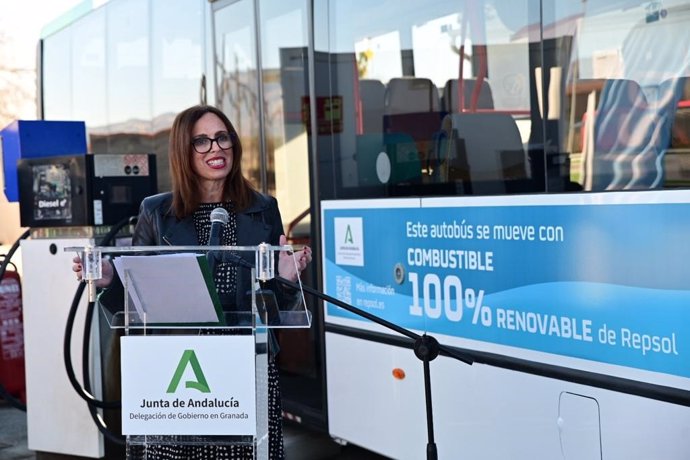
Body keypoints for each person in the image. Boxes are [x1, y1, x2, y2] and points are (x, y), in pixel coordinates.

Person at [73, 104, 311, 459]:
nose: (216, 148)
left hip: (245, 368)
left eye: (222, 137)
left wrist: (287, 279)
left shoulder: (262, 209)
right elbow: (138, 302)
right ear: (183, 151)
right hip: (177, 375)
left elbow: (271, 305)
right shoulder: (157, 213)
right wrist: (111, 279)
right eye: (201, 141)